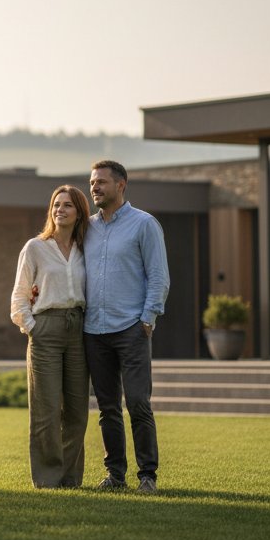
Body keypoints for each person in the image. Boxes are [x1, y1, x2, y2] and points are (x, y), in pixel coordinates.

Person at [83, 160, 169, 493]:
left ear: (121, 185)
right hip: (94, 331)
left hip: (131, 329)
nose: (94, 187)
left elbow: (158, 275)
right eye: (92, 182)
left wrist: (147, 319)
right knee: (107, 408)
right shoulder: (86, 228)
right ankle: (115, 475)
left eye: (101, 182)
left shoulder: (144, 224)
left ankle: (147, 475)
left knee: (137, 403)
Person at [10, 185, 91, 489]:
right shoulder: (35, 247)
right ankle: (47, 478)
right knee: (46, 409)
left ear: (79, 212)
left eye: (67, 205)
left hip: (79, 330)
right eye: (56, 205)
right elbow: (20, 294)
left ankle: (70, 478)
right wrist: (32, 327)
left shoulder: (87, 249)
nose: (60, 210)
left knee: (77, 411)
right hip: (46, 327)